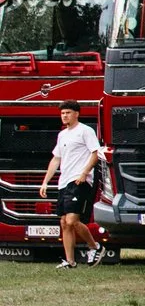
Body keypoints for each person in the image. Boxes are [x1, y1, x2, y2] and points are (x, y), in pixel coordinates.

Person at [35, 100, 107, 268]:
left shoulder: (85, 131)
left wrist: (84, 173)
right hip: (64, 182)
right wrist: (45, 182)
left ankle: (95, 247)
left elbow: (95, 153)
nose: (65, 116)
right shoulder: (62, 135)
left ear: (76, 114)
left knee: (72, 220)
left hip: (79, 180)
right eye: (62, 113)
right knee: (64, 222)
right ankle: (70, 261)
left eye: (68, 112)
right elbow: (56, 158)